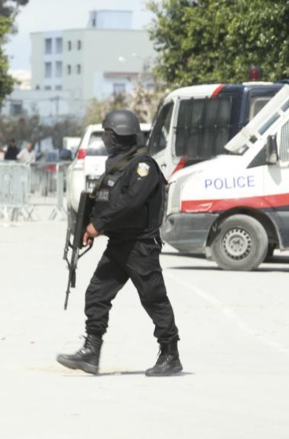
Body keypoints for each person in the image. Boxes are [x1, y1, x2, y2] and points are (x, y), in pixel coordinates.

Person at [56, 110, 182, 377]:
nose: (105, 139)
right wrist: (88, 225)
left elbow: (129, 204)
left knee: (153, 299)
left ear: (118, 136)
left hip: (140, 246)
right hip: (119, 244)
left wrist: (97, 226)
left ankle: (170, 353)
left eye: (108, 134)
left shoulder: (142, 166)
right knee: (96, 294)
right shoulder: (117, 165)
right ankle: (91, 351)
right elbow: (106, 202)